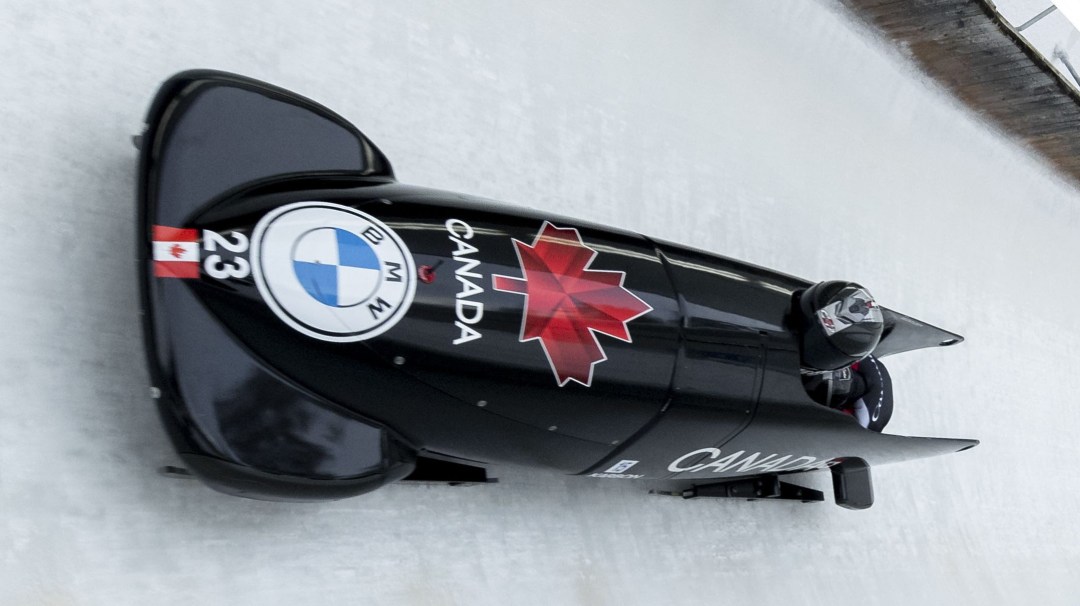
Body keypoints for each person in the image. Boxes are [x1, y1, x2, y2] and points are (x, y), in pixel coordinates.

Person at [801, 355, 893, 432]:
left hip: (871, 419)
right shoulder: (859, 360)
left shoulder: (863, 420)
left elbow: (856, 443)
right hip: (872, 372)